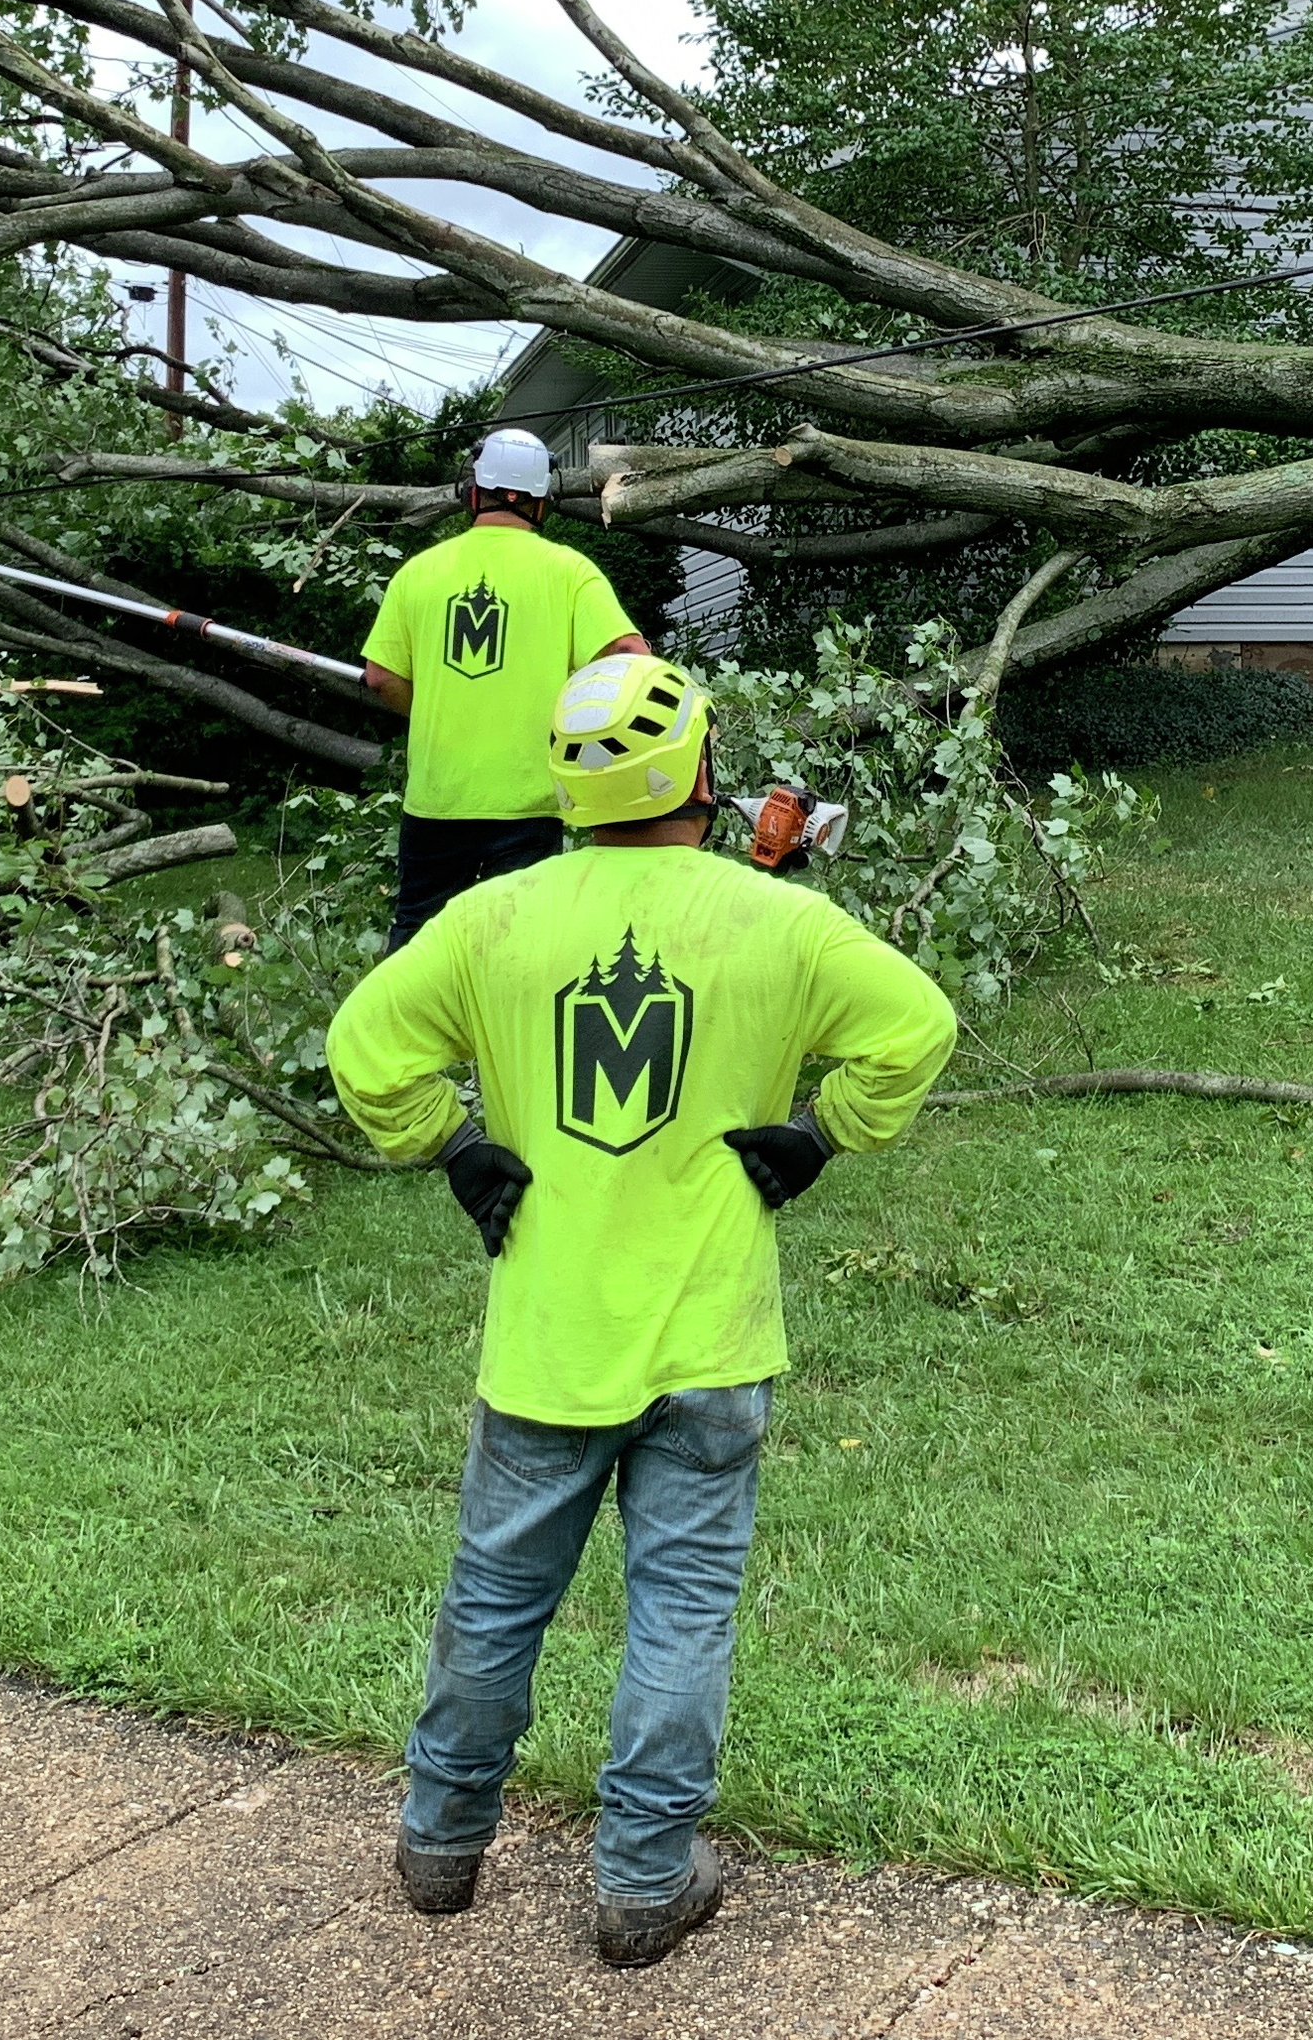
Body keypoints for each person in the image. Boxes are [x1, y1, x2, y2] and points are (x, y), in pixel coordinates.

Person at [327, 652, 958, 1969]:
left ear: (568, 785)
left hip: (547, 1342)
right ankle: (644, 1882)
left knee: (497, 1597)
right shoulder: (776, 922)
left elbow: (365, 1042)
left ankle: (441, 1846)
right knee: (682, 1608)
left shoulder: (495, 919)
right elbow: (915, 1025)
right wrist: (824, 1133)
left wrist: (449, 1146)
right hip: (711, 1339)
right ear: (700, 775)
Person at [361, 426, 651, 946]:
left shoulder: (418, 573)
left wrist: (435, 708)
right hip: (530, 801)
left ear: (473, 488)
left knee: (419, 940)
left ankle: (399, 1028)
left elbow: (381, 678)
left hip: (437, 798)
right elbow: (630, 657)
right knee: (518, 945)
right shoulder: (569, 572)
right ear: (542, 498)